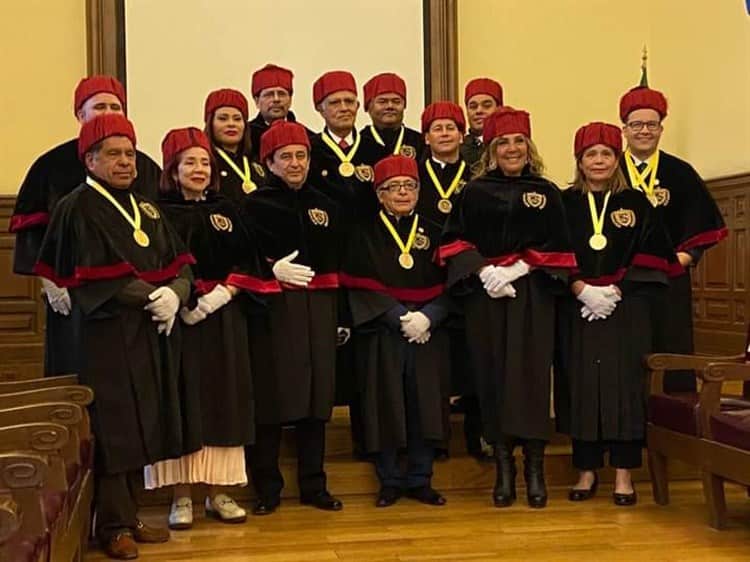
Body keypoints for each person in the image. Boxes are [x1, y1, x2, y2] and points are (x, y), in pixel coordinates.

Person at [34, 114, 193, 559]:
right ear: (89, 159)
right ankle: (112, 526)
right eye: (113, 154)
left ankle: (130, 514)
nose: (125, 162)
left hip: (147, 334)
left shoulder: (146, 206)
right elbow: (94, 277)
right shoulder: (76, 207)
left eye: (129, 153)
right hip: (104, 337)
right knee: (114, 429)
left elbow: (182, 262)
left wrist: (176, 294)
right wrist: (153, 296)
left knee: (143, 423)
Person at [439, 108, 576, 509]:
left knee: (532, 378)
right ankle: (504, 468)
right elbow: (452, 242)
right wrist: (483, 272)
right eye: (504, 143)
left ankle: (534, 467)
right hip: (488, 299)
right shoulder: (473, 192)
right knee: (493, 375)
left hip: (533, 296)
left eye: (519, 142)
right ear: (492, 149)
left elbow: (560, 246)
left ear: (529, 147)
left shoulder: (547, 192)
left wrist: (520, 267)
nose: (512, 149)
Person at [145, 127, 281, 529]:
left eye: (205, 162)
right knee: (183, 400)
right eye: (190, 162)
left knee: (225, 399)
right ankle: (181, 495)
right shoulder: (155, 212)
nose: (200, 169)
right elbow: (152, 263)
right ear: (172, 168)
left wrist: (221, 296)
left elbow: (248, 261)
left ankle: (218, 492)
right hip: (176, 323)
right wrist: (183, 301)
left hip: (223, 319)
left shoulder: (228, 210)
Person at [9, 75, 161, 376]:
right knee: (78, 370)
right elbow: (32, 232)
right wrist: (51, 284)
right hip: (74, 291)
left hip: (136, 292)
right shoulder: (50, 164)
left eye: (115, 107)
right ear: (80, 114)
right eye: (99, 106)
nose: (108, 113)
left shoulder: (142, 165)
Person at [556, 122, 673, 507]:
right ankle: (586, 470)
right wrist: (581, 289)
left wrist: (615, 292)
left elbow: (654, 254)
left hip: (627, 308)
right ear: (580, 161)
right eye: (591, 154)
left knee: (625, 388)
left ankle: (624, 474)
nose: (599, 160)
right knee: (582, 386)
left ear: (617, 157)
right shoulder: (564, 203)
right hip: (578, 308)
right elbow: (551, 252)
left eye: (606, 153)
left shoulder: (638, 204)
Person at [243, 121, 344, 515]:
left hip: (320, 309)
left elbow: (339, 262)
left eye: (301, 155)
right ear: (268, 162)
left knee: (317, 397)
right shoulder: (253, 206)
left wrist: (341, 316)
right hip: (275, 309)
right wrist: (270, 271)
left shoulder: (327, 205)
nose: (296, 163)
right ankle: (267, 489)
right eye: (286, 156)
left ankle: (313, 485)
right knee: (273, 397)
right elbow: (242, 259)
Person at [340, 155, 451, 506]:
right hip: (384, 332)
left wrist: (429, 317)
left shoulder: (437, 229)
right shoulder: (363, 234)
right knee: (384, 403)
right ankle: (389, 479)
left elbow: (455, 282)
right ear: (379, 194)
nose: (402, 192)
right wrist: (399, 317)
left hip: (428, 333)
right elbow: (358, 283)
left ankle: (421, 478)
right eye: (393, 187)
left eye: (410, 186)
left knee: (425, 405)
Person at [618, 82, 727, 392]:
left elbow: (702, 221)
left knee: (673, 347)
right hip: (622, 280)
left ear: (661, 128)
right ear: (624, 128)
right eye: (636, 124)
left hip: (670, 278)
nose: (644, 131)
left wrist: (685, 257)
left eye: (651, 124)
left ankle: (675, 422)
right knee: (628, 351)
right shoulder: (610, 171)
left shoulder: (680, 172)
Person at [417, 101, 487, 460]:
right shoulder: (411, 174)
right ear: (425, 137)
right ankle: (438, 438)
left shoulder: (479, 175)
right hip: (427, 278)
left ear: (462, 134)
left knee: (474, 357)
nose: (444, 134)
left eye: (450, 128)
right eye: (437, 128)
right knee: (436, 362)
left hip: (471, 277)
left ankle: (478, 436)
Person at [310, 70, 377, 219]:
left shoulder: (376, 151)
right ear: (320, 109)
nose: (344, 108)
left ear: (358, 105)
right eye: (335, 103)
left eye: (349, 101)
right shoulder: (309, 151)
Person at [203, 88, 266, 203]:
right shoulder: (206, 163)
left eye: (237, 119)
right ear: (210, 123)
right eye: (223, 119)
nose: (231, 124)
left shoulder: (257, 161)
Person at [359, 72, 423, 164]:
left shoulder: (420, 143)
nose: (390, 106)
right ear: (368, 107)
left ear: (404, 105)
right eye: (382, 102)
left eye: (396, 101)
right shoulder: (359, 143)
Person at [248, 63, 298, 158]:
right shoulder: (246, 137)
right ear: (257, 101)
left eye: (281, 94)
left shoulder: (307, 136)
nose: (276, 99)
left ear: (290, 99)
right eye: (269, 95)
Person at [460, 78, 503, 168]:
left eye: (487, 106)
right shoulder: (458, 149)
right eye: (473, 107)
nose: (479, 111)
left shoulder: (508, 146)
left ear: (499, 109)